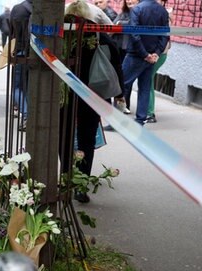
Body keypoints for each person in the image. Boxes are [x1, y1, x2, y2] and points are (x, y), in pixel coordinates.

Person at [63, 0, 124, 203]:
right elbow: (115, 62)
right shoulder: (99, 35)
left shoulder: (59, 35)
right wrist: (120, 93)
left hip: (64, 95)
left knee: (63, 136)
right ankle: (81, 185)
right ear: (89, 16)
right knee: (87, 138)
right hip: (92, 95)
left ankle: (66, 179)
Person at [122, 0, 169, 125]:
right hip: (151, 57)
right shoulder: (162, 11)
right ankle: (140, 119)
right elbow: (165, 35)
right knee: (144, 88)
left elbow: (134, 33)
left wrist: (144, 54)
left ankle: (116, 120)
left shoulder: (137, 9)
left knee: (121, 85)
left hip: (136, 55)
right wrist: (156, 54)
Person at [146, 0, 172, 124]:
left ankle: (150, 113)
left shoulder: (165, 13)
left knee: (148, 79)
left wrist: (155, 53)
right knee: (147, 79)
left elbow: (164, 36)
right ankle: (148, 111)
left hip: (159, 53)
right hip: (152, 53)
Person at [10, 0, 32, 130]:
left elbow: (11, 32)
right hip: (36, 53)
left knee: (17, 87)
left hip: (19, 52)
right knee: (30, 86)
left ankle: (26, 115)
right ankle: (31, 115)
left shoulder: (18, 9)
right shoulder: (43, 9)